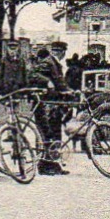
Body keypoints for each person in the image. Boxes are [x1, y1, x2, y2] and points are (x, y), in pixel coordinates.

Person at [30, 41, 71, 175]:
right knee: (47, 135)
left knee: (55, 135)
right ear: (62, 52)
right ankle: (44, 166)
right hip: (44, 106)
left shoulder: (55, 64)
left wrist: (69, 91)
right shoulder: (49, 62)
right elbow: (32, 74)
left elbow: (60, 83)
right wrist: (46, 81)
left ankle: (54, 165)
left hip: (53, 105)